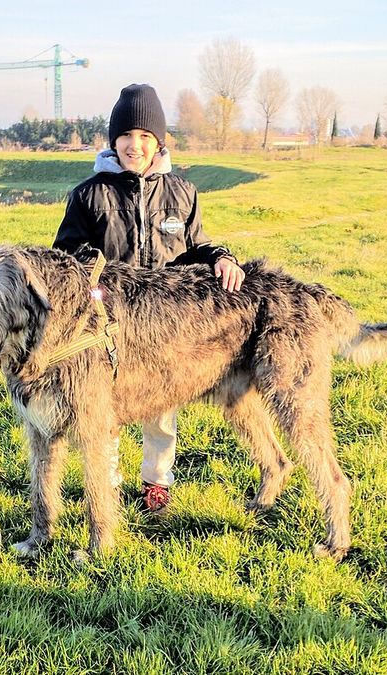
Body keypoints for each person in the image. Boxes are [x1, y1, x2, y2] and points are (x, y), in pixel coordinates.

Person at [53, 83, 245, 512]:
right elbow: (65, 255)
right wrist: (92, 275)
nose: (134, 145)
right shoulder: (89, 194)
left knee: (161, 407)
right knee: (106, 404)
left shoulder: (182, 192)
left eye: (144, 136)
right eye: (125, 135)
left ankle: (157, 481)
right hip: (107, 323)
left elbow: (196, 246)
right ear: (113, 140)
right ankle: (107, 483)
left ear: (159, 141)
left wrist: (222, 257)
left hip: (165, 322)